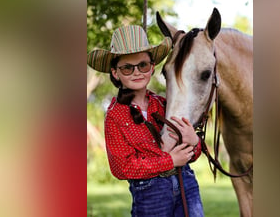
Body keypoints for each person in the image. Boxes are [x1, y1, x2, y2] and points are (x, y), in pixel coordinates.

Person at [87, 25, 204, 216]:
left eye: (143, 65)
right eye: (127, 68)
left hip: (185, 183)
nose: (136, 72)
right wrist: (170, 160)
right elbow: (122, 167)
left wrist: (195, 142)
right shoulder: (115, 115)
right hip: (151, 193)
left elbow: (191, 152)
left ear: (152, 67)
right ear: (115, 73)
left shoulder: (165, 104)